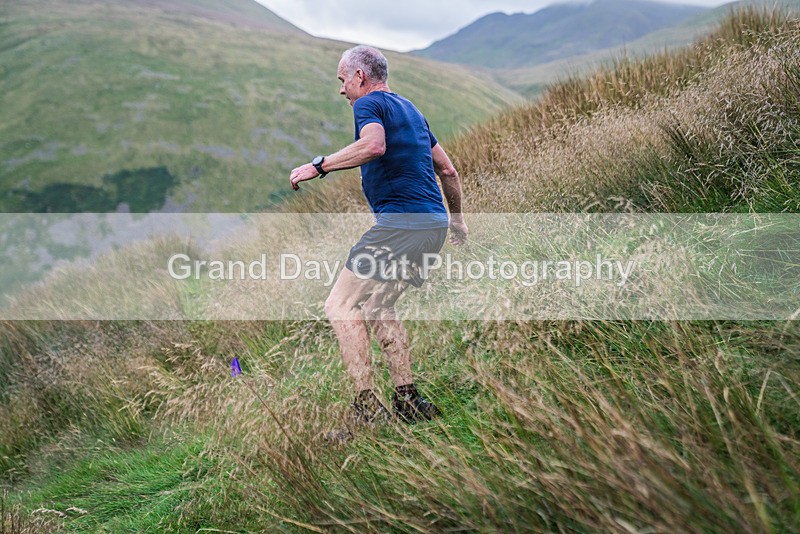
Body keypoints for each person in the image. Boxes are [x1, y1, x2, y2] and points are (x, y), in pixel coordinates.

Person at [289, 45, 468, 427]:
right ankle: (408, 400)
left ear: (360, 77)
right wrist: (457, 222)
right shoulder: (413, 111)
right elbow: (448, 171)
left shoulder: (367, 106)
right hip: (431, 225)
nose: (341, 90)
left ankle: (367, 410)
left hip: (400, 225)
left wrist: (318, 166)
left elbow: (373, 145)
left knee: (340, 306)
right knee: (378, 306)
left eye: (342, 80)